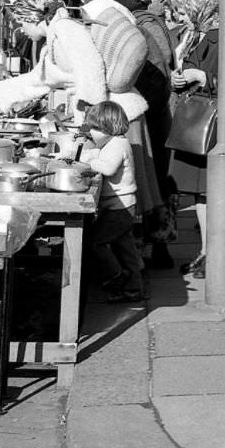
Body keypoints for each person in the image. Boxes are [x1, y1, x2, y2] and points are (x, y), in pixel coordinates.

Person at [166, 0, 225, 279]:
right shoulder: (194, 36)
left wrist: (200, 76)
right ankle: (207, 251)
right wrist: (179, 79)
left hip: (218, 124)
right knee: (199, 193)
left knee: (218, 190)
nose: (180, 18)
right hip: (196, 122)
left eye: (183, 12)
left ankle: (222, 250)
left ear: (198, 10)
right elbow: (188, 71)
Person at [109, 0, 177, 269]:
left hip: (151, 118)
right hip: (157, 115)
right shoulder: (152, 25)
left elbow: (157, 76)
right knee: (159, 183)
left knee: (155, 184)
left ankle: (157, 248)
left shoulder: (139, 32)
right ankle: (158, 247)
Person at [83, 101, 145, 303]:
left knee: (96, 242)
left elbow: (108, 168)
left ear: (108, 127)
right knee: (126, 249)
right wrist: (95, 154)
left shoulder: (118, 144)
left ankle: (116, 276)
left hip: (119, 208)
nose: (91, 132)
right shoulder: (114, 142)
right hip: (122, 205)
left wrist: (90, 161)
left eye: (95, 128)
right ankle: (133, 287)